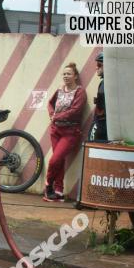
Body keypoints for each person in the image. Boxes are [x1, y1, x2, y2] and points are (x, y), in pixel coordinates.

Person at [45, 62, 85, 202]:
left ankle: (48, 185)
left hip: (70, 132)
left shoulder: (79, 92)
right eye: (64, 74)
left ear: (75, 76)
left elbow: (75, 111)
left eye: (69, 74)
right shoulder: (60, 90)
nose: (66, 76)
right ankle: (59, 191)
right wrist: (51, 114)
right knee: (59, 161)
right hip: (55, 130)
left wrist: (57, 116)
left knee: (55, 159)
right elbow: (50, 103)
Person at [88, 52, 107, 142]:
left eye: (99, 65)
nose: (96, 67)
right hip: (105, 124)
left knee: (92, 148)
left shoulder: (105, 83)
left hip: (101, 124)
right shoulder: (104, 82)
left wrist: (96, 122)